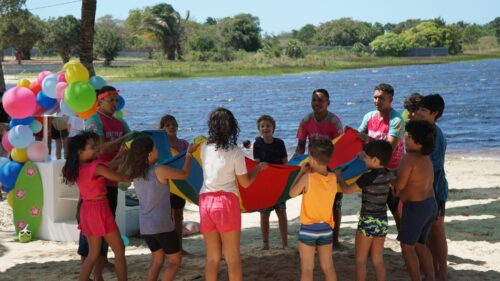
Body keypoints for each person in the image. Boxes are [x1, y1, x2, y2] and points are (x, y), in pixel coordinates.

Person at [199, 108, 267, 281]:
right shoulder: (235, 152)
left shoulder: (204, 147)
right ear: (231, 128)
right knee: (232, 258)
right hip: (226, 203)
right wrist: (258, 169)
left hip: (205, 202)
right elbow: (245, 183)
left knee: (212, 258)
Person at [117, 135, 197, 281]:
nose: (157, 150)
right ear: (149, 154)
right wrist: (189, 154)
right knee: (174, 261)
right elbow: (184, 174)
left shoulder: (136, 173)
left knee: (157, 260)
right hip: (162, 225)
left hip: (146, 227)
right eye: (154, 148)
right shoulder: (159, 170)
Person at [62, 131, 130, 281]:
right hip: (100, 209)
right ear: (81, 151)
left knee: (93, 254)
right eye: (92, 147)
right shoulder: (95, 167)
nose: (96, 150)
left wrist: (121, 156)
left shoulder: (76, 167)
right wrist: (138, 168)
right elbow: (120, 177)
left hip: (86, 209)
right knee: (119, 250)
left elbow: (109, 166)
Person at [81, 85, 131, 279]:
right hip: (96, 183)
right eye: (111, 100)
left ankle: (98, 273)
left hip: (111, 182)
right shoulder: (94, 121)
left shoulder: (120, 123)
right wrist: (126, 138)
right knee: (92, 241)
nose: (114, 104)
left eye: (116, 101)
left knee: (102, 239)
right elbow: (100, 150)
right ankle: (95, 273)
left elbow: (128, 147)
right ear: (100, 101)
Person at [335, 140, 393, 281]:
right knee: (377, 260)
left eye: (366, 157)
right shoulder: (388, 174)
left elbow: (347, 190)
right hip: (382, 221)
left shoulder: (367, 176)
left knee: (360, 260)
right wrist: (362, 155)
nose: (364, 160)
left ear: (374, 159)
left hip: (367, 221)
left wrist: (339, 177)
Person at [295, 88, 344, 247]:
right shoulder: (306, 120)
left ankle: (334, 240)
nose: (317, 103)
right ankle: (313, 237)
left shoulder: (334, 122)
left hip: (330, 170)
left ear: (328, 103)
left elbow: (341, 147)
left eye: (321, 100)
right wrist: (294, 165)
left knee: (334, 204)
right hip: (312, 170)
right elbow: (301, 146)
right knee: (313, 202)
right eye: (314, 100)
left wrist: (335, 171)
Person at [289, 139, 338, 281]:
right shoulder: (333, 178)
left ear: (312, 158)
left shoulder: (307, 178)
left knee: (307, 269)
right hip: (326, 229)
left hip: (308, 230)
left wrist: (300, 172)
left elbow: (292, 193)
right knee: (328, 267)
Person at [395, 120, 438, 281]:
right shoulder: (426, 158)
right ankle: (431, 277)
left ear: (420, 142)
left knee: (407, 246)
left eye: (410, 137)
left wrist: (390, 178)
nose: (406, 139)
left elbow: (400, 185)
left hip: (416, 208)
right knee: (421, 244)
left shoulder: (409, 158)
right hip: (430, 205)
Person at [358, 83, 405, 230]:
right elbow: (358, 139)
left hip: (393, 171)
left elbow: (388, 148)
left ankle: (405, 241)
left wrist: (367, 139)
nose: (377, 101)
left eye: (381, 98)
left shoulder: (396, 120)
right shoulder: (369, 116)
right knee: (372, 210)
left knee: (397, 211)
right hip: (373, 171)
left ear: (390, 99)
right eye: (375, 97)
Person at [418, 94, 449, 281]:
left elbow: (435, 163)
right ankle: (432, 271)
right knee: (428, 232)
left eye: (423, 110)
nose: (419, 113)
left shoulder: (435, 134)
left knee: (437, 231)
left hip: (436, 190)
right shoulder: (425, 130)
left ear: (435, 113)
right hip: (424, 190)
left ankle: (442, 272)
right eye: (419, 109)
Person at [253, 115, 289, 250]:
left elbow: (285, 163)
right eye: (262, 126)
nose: (265, 128)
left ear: (273, 128)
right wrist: (262, 166)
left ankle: (285, 244)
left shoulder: (280, 143)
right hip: (264, 184)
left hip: (279, 184)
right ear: (259, 129)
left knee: (282, 213)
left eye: (268, 125)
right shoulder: (257, 144)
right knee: (264, 214)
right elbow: (256, 164)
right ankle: (265, 244)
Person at [159, 114, 190, 253]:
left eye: (174, 124)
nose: (171, 127)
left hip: (180, 185)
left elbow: (191, 161)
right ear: (162, 128)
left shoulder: (183, 144)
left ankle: (179, 247)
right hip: (165, 186)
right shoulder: (160, 145)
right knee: (167, 218)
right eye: (168, 125)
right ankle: (169, 249)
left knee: (178, 216)